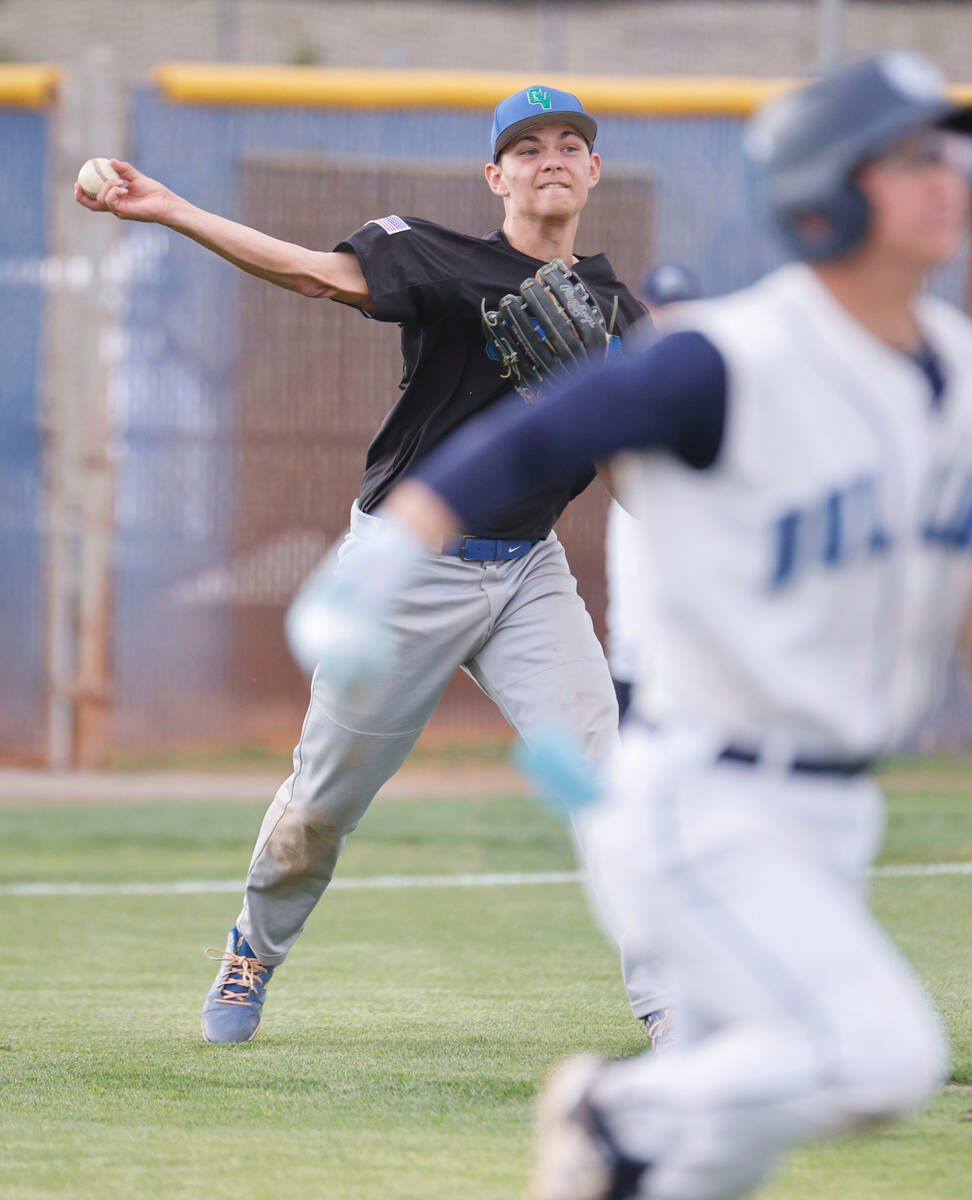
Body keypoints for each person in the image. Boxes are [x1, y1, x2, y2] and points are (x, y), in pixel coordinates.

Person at [287, 52, 972, 1199]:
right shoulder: (732, 356)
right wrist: (377, 570)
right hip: (704, 808)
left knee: (726, 1146)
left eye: (950, 153)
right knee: (879, 1056)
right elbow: (536, 436)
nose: (946, 176)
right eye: (908, 156)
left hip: (835, 814)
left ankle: (629, 1155)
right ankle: (614, 1109)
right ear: (828, 188)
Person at [75, 84, 670, 1044]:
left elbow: (642, 492)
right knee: (321, 804)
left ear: (594, 171)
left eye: (569, 144)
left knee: (610, 784)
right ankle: (251, 953)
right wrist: (172, 211)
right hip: (406, 569)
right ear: (496, 175)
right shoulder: (438, 254)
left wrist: (599, 404)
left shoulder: (615, 314)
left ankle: (670, 1001)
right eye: (526, 148)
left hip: (528, 574)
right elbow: (314, 275)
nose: (550, 157)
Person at [605, 262, 702, 724]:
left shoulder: (705, 366)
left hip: (696, 512)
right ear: (645, 309)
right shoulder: (630, 364)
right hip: (636, 506)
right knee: (633, 630)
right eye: (662, 308)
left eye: (679, 307)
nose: (669, 319)